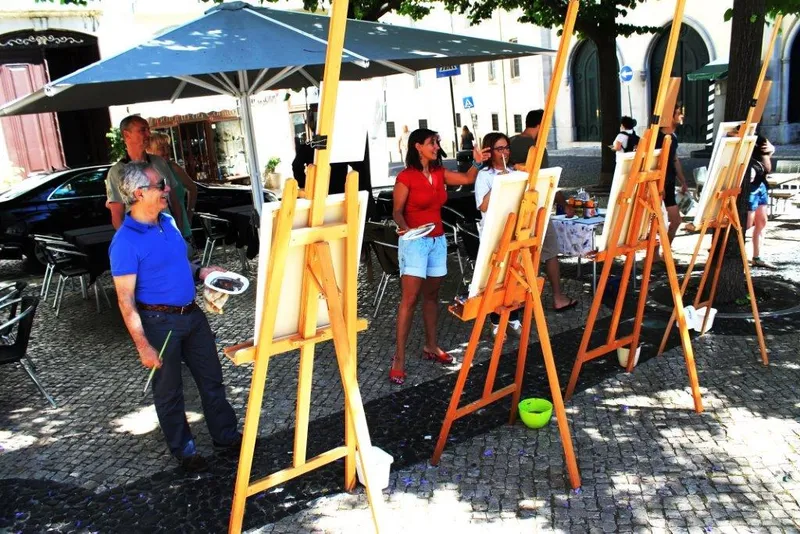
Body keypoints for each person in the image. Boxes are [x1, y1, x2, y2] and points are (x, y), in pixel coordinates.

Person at [110, 161, 241, 473]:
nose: (167, 189)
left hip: (192, 315)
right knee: (169, 393)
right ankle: (185, 451)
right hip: (159, 323)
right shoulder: (125, 242)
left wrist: (203, 272)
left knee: (212, 380)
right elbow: (125, 301)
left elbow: (182, 266)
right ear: (140, 193)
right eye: (160, 185)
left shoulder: (166, 220)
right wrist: (143, 345)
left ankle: (226, 437)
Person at [390, 129, 489, 385]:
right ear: (417, 147)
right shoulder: (406, 177)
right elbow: (397, 211)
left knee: (432, 295)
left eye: (437, 142)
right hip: (414, 243)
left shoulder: (438, 172)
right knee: (409, 300)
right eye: (432, 143)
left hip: (437, 240)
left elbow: (467, 179)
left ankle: (431, 346)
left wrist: (477, 163)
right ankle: (398, 358)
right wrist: (405, 228)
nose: (436, 146)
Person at [508, 111, 578, 314]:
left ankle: (518, 297)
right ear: (540, 125)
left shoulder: (511, 141)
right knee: (550, 252)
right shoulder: (535, 148)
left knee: (521, 255)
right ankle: (558, 297)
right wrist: (564, 204)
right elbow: (548, 182)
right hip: (536, 208)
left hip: (516, 208)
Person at [106, 116, 183, 231]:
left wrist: (179, 231)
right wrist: (131, 242)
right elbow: (117, 215)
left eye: (148, 129)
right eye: (142, 130)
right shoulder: (117, 171)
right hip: (141, 234)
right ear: (127, 135)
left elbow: (174, 200)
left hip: (167, 232)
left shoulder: (159, 162)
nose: (148, 134)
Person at [730, 127, 775, 268]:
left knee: (761, 221)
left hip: (762, 184)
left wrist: (772, 148)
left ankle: (757, 257)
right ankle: (735, 256)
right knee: (747, 223)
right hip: (751, 186)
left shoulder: (758, 137)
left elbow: (769, 149)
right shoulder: (736, 137)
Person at [147, 132, 198, 253]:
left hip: (183, 227)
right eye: (161, 148)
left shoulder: (174, 167)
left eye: (167, 147)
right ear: (149, 150)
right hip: (162, 231)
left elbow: (193, 188)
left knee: (191, 267)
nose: (166, 151)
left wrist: (190, 213)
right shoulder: (148, 172)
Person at [655, 104, 689, 258]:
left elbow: (674, 160)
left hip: (668, 184)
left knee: (676, 220)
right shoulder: (656, 138)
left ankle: (665, 251)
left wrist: (682, 181)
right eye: (678, 113)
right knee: (655, 222)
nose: (681, 116)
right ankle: (654, 254)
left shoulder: (673, 137)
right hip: (655, 185)